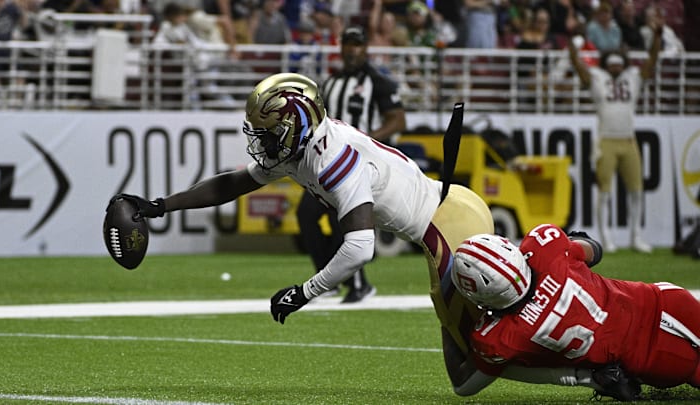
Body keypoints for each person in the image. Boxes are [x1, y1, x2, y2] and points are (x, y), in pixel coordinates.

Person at [112, 72, 634, 397]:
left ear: (295, 123)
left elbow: (360, 247)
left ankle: (593, 373)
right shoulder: (300, 147)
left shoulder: (332, 157)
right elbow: (233, 183)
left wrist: (305, 292)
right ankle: (573, 252)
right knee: (481, 349)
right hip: (449, 215)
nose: (261, 141)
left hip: (448, 232)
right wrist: (160, 205)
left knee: (470, 373)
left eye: (269, 131)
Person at [446, 224, 700, 398]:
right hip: (668, 302)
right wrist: (575, 243)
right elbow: (594, 250)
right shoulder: (547, 247)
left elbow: (463, 385)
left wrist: (445, 311)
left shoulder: (501, 338)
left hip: (650, 361)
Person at [295, 25, 407, 303]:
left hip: (357, 163)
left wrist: (366, 139)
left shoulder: (378, 82)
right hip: (327, 162)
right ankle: (328, 279)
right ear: (341, 47)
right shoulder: (330, 83)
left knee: (341, 219)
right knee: (306, 214)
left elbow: (397, 120)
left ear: (365, 48)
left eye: (357, 44)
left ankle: (357, 284)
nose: (352, 49)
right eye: (348, 44)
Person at [567, 19, 662, 253]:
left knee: (637, 189)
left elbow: (651, 63)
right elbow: (579, 67)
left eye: (619, 64)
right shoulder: (598, 77)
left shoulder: (633, 76)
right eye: (613, 65)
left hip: (629, 139)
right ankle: (606, 236)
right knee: (605, 190)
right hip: (606, 140)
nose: (616, 68)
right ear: (607, 65)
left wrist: (657, 37)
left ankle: (636, 236)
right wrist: (572, 43)